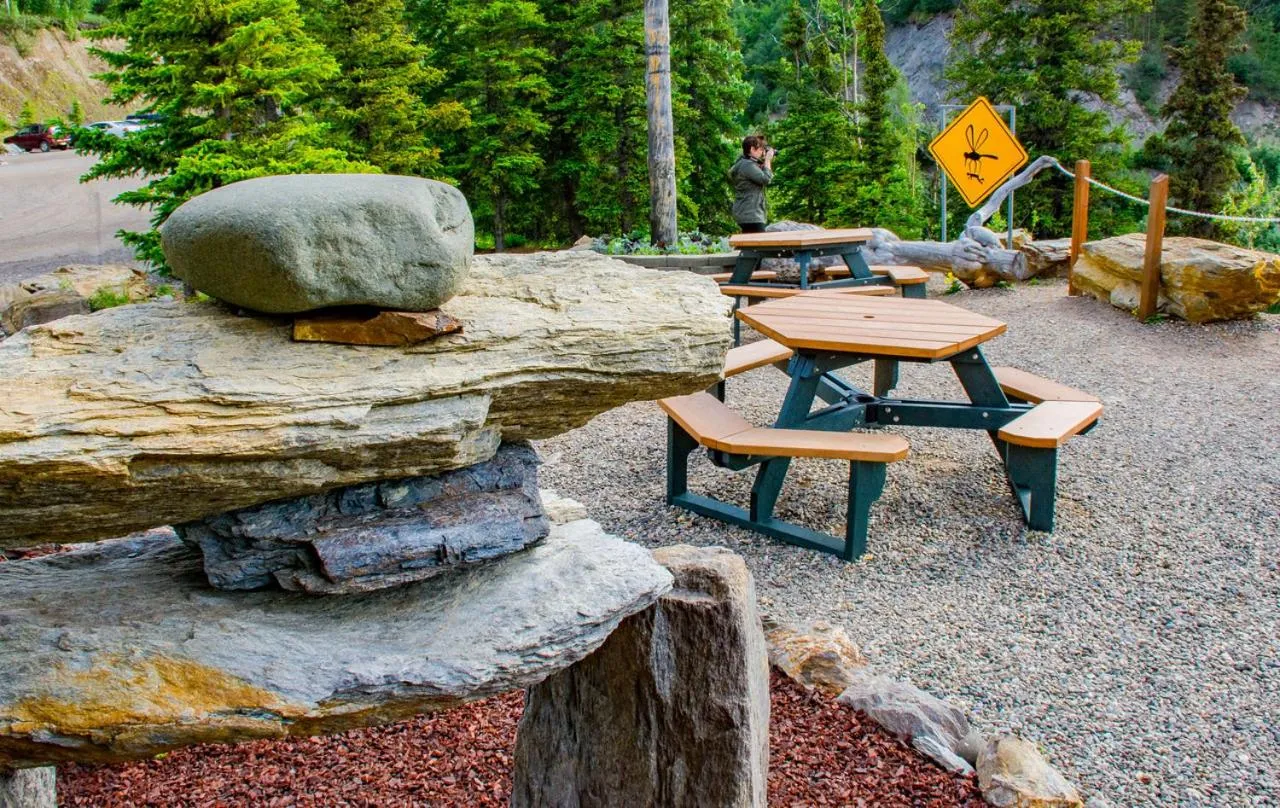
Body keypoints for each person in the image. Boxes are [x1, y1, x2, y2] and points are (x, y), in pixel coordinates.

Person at [730, 135, 774, 233]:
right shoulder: (747, 165)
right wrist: (767, 160)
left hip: (745, 213)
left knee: (750, 247)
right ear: (752, 149)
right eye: (761, 149)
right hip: (751, 215)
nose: (763, 153)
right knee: (760, 246)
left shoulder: (743, 164)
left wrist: (761, 167)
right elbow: (766, 179)